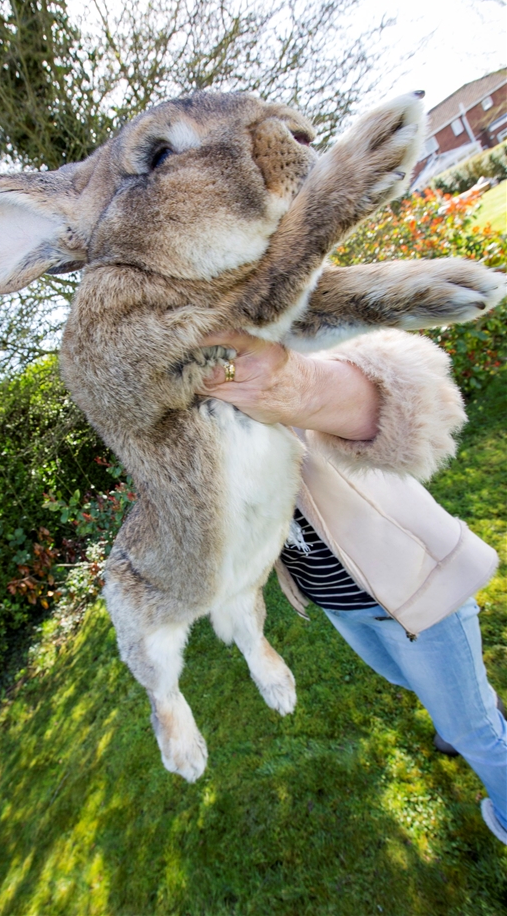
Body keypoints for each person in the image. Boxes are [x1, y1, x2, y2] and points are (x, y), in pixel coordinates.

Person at [200, 327, 507, 844]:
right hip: (346, 610)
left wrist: (292, 385)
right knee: (416, 684)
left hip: (415, 596)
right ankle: (473, 699)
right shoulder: (211, 435)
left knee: (471, 733)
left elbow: (373, 405)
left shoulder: (287, 376)